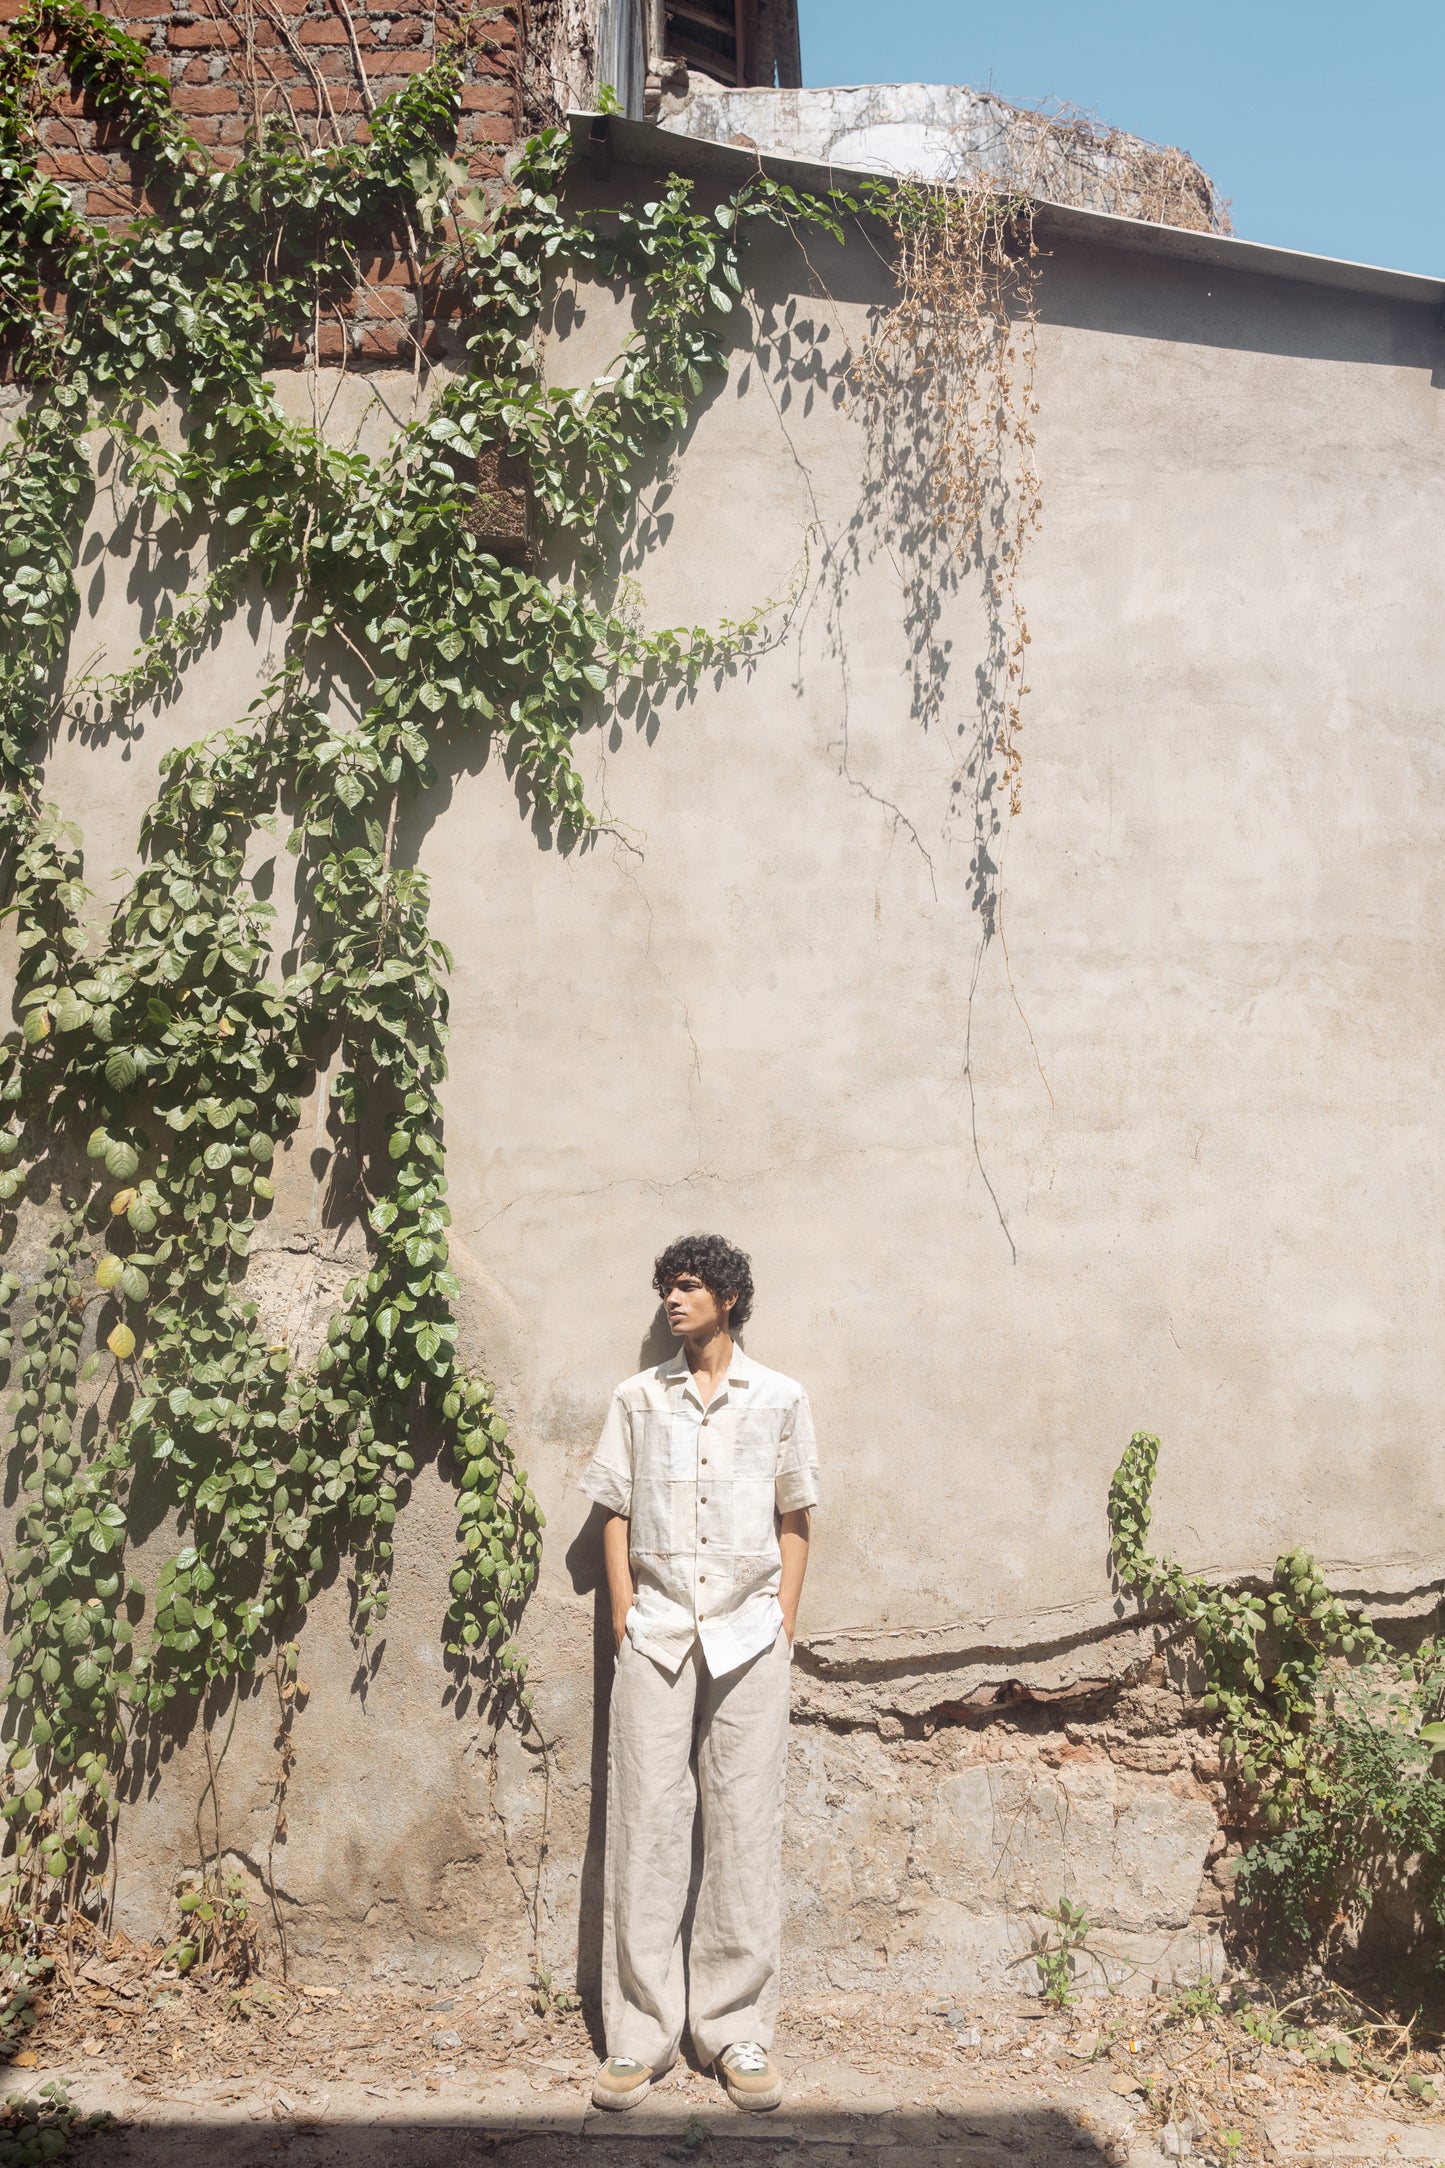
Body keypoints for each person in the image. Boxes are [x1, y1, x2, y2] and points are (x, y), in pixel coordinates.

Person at [578, 1233, 817, 2116]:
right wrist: (622, 1611)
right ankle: (641, 2035)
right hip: (657, 1633)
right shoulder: (637, 1398)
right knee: (646, 1822)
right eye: (666, 1289)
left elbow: (796, 1514)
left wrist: (783, 1617)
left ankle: (734, 2028)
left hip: (750, 1635)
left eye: (687, 1287)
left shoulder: (780, 1397)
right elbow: (613, 1509)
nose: (672, 1302)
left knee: (745, 1826)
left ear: (727, 1297)